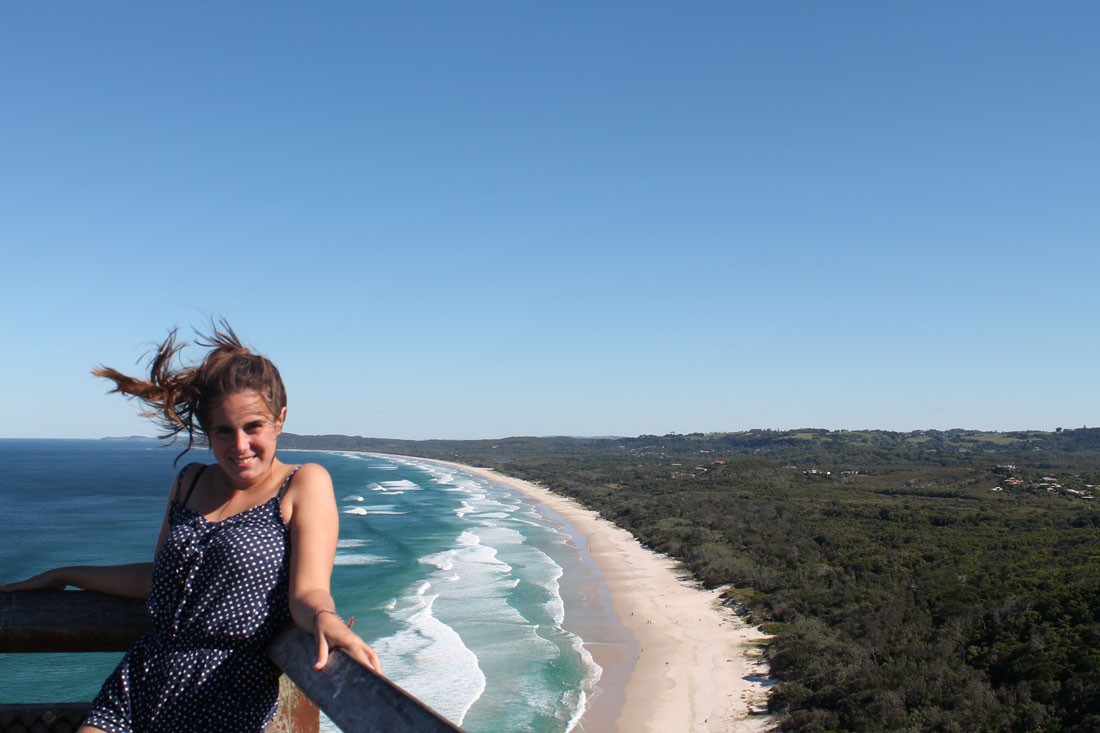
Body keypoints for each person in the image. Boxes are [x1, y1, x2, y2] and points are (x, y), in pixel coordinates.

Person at [0, 322, 381, 732]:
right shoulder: (189, 481)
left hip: (227, 691)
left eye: (253, 426)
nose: (239, 446)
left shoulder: (304, 483)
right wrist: (66, 574)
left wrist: (326, 617)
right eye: (223, 431)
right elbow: (161, 577)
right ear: (207, 432)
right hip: (144, 676)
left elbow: (307, 591)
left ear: (279, 420)